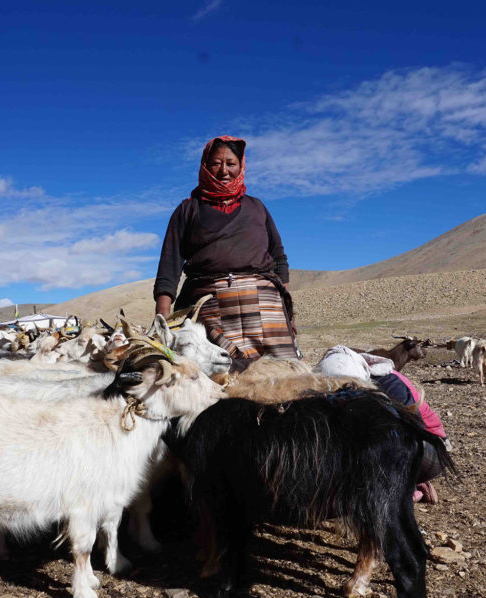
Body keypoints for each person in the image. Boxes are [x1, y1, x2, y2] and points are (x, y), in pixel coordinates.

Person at [153, 135, 298, 367]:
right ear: (205, 166)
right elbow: (169, 266)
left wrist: (286, 311)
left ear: (241, 166)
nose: (224, 171)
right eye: (216, 163)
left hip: (265, 305)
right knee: (214, 374)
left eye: (231, 163)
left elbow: (278, 257)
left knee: (285, 373)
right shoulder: (188, 210)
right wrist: (162, 322)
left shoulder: (257, 207)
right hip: (208, 303)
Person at [317, 345, 449, 503]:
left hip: (430, 446)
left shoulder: (390, 383)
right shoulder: (355, 384)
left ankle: (407, 485)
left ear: (355, 381)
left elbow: (413, 432)